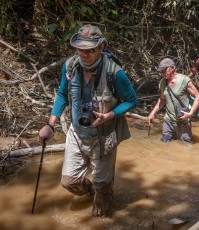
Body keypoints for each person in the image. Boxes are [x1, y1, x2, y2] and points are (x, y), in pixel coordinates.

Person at [38, 24, 138, 217]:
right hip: (77, 133)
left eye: (91, 50)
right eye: (81, 49)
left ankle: (102, 195)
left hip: (104, 137)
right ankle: (92, 189)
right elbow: (62, 94)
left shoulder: (115, 73)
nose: (85, 54)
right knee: (69, 182)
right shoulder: (69, 67)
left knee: (101, 210)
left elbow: (132, 100)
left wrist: (110, 115)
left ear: (102, 47)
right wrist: (50, 124)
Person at [147, 58, 199, 143]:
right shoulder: (162, 82)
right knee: (164, 144)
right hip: (168, 120)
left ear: (172, 68)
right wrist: (152, 113)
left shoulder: (184, 80)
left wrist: (190, 113)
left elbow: (197, 96)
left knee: (186, 147)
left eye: (164, 71)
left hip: (183, 122)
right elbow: (162, 99)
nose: (162, 73)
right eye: (161, 71)